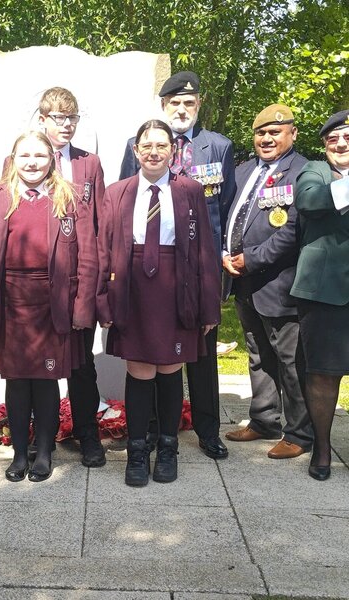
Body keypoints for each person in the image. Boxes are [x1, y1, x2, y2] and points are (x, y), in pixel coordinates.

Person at [0, 131, 97, 483]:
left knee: (47, 381)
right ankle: (20, 453)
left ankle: (45, 452)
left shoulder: (70, 198)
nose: (32, 162)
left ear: (51, 158)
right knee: (17, 382)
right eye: (25, 156)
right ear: (14, 159)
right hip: (10, 307)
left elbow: (87, 257)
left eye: (39, 155)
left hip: (52, 307)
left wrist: (83, 307)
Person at [97, 119, 220, 486]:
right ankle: (137, 452)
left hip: (175, 289)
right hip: (132, 290)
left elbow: (204, 253)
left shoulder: (190, 191)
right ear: (136, 151)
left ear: (173, 150)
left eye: (161, 146)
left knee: (169, 370)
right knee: (139, 370)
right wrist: (102, 300)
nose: (153, 152)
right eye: (146, 145)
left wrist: (209, 306)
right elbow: (103, 249)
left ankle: (167, 449)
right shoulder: (117, 192)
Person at [119, 71, 235, 461]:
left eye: (189, 102)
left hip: (199, 264)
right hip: (146, 266)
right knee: (151, 357)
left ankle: (207, 429)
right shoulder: (138, 147)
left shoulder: (217, 146)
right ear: (164, 106)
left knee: (199, 356)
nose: (181, 108)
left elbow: (228, 205)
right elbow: (124, 204)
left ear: (198, 104)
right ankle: (150, 431)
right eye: (174, 103)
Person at [223, 104, 313, 458]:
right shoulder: (244, 170)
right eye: (261, 132)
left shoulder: (303, 172)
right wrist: (224, 254)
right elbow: (229, 216)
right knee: (258, 355)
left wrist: (252, 259)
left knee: (290, 359)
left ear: (292, 133)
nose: (267, 138)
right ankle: (263, 420)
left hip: (278, 282)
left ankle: (300, 433)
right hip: (243, 281)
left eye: (275, 132)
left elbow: (292, 230)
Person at [37, 87, 106, 467]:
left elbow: (99, 222)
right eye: (58, 118)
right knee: (41, 363)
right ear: (43, 119)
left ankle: (88, 435)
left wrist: (100, 280)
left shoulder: (89, 163)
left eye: (72, 118)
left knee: (82, 365)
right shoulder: (23, 158)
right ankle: (42, 439)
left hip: (80, 280)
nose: (66, 125)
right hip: (38, 282)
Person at [291, 109, 349, 480]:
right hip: (325, 292)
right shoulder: (314, 171)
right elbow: (310, 202)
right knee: (322, 374)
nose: (341, 144)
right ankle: (323, 450)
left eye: (348, 138)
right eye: (333, 140)